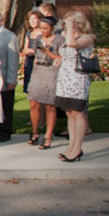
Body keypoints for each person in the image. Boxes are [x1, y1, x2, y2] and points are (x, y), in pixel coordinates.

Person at [54, 12, 95, 163]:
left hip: (77, 80)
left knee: (78, 113)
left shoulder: (86, 38)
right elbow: (65, 52)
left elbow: (72, 44)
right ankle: (71, 145)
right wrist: (58, 61)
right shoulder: (67, 37)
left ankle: (77, 148)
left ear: (79, 23)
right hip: (65, 80)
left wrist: (70, 26)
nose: (66, 26)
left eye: (70, 23)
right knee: (70, 113)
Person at [26, 15, 64, 149]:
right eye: (41, 28)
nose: (42, 31)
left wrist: (47, 52)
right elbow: (35, 55)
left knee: (49, 105)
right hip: (38, 71)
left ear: (52, 28)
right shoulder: (38, 38)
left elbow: (61, 58)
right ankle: (35, 132)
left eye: (45, 28)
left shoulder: (59, 40)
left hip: (52, 70)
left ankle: (48, 135)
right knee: (34, 102)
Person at [0, 11, 19, 142]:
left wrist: (11, 79)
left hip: (4, 76)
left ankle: (5, 131)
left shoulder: (10, 36)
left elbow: (13, 59)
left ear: (1, 21)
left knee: (5, 105)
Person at [20, 10, 43, 94]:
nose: (32, 21)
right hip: (29, 61)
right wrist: (28, 51)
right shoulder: (29, 33)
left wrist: (34, 51)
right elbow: (24, 50)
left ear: (40, 20)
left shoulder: (43, 33)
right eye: (30, 19)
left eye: (34, 19)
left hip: (40, 61)